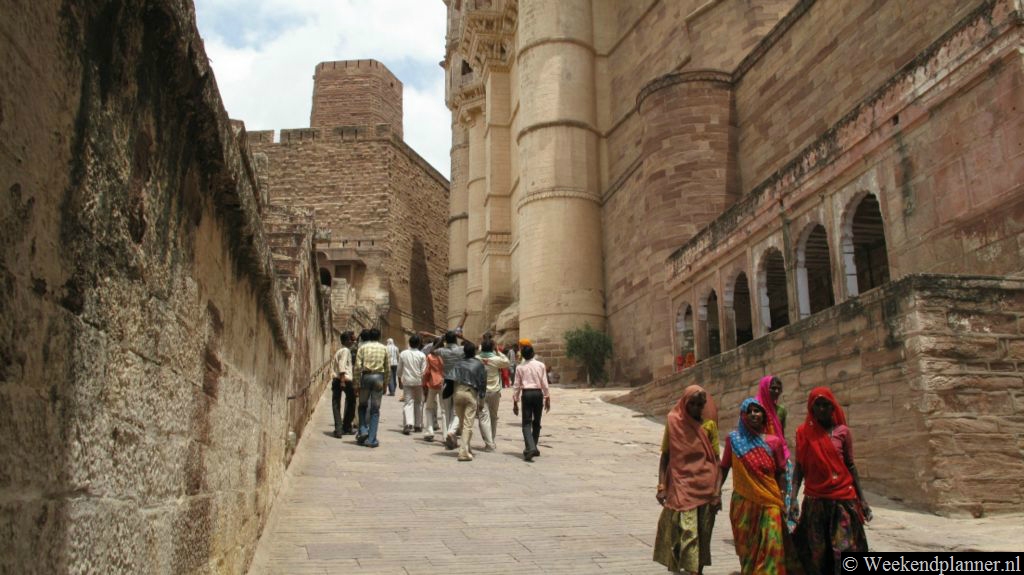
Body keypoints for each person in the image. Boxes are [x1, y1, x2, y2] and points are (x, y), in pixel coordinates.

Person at [792, 387, 871, 574]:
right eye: (817, 405)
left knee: (845, 549)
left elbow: (850, 465)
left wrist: (863, 500)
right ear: (811, 408)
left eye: (825, 405)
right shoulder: (803, 433)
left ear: (832, 407)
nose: (821, 409)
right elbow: (799, 468)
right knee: (818, 552)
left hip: (842, 501)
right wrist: (793, 497)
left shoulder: (843, 432)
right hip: (816, 502)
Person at [720, 398, 802, 575]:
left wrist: (782, 496)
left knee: (772, 544)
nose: (753, 414)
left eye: (757, 411)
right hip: (743, 502)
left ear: (764, 415)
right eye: (748, 411)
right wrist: (714, 493)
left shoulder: (773, 442)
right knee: (747, 548)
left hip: (770, 500)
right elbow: (724, 467)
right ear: (743, 416)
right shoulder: (733, 440)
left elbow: (781, 471)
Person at [652, 385, 720, 575]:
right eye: (693, 404)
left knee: (703, 535)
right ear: (685, 403)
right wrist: (661, 486)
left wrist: (717, 492)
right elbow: (665, 456)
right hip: (682, 487)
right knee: (688, 534)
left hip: (706, 488)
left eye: (701, 404)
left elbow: (716, 461)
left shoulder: (708, 426)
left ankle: (696, 571)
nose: (697, 408)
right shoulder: (674, 423)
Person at [448, 341, 487, 461]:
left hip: (458, 394)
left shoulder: (458, 364)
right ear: (474, 352)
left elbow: (451, 379)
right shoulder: (479, 365)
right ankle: (463, 452)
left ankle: (467, 447)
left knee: (462, 423)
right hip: (470, 394)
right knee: (467, 425)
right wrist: (481, 402)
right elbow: (482, 385)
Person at [511, 344, 550, 462]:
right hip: (538, 394)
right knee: (537, 422)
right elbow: (544, 382)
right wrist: (547, 397)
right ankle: (533, 447)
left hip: (527, 394)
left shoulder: (520, 367)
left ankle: (531, 447)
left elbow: (517, 385)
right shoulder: (541, 365)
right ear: (533, 353)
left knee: (526, 423)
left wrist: (515, 401)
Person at [354, 328, 388, 448]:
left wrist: (356, 384)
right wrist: (386, 384)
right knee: (375, 410)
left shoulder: (362, 348)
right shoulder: (384, 348)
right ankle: (371, 439)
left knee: (362, 406)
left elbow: (357, 367)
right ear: (379, 336)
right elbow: (387, 367)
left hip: (366, 377)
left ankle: (363, 430)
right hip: (378, 377)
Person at [478, 339, 510, 449]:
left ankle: (489, 442)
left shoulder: (477, 359)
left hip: (481, 392)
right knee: (493, 416)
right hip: (495, 391)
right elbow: (506, 361)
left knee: (483, 416)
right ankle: (491, 440)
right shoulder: (496, 359)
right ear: (492, 348)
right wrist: (498, 351)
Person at [397, 335, 427, 435]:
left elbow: (399, 369)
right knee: (419, 402)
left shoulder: (403, 354)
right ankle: (418, 425)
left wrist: (399, 379)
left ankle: (408, 423)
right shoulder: (422, 355)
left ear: (409, 343)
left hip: (407, 381)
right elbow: (424, 371)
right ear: (419, 344)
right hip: (418, 381)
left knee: (408, 402)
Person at [329, 331, 354, 438]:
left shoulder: (339, 351)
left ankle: (339, 428)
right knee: (351, 402)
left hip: (337, 379)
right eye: (350, 339)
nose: (352, 341)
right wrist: (343, 380)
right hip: (344, 379)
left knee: (336, 404)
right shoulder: (345, 351)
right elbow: (342, 364)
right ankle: (345, 427)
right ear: (345, 341)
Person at [421, 337, 446, 442]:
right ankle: (446, 434)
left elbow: (426, 372)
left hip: (432, 384)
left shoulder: (430, 357)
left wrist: (424, 384)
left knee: (429, 408)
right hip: (443, 383)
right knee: (444, 410)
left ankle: (430, 430)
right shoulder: (445, 356)